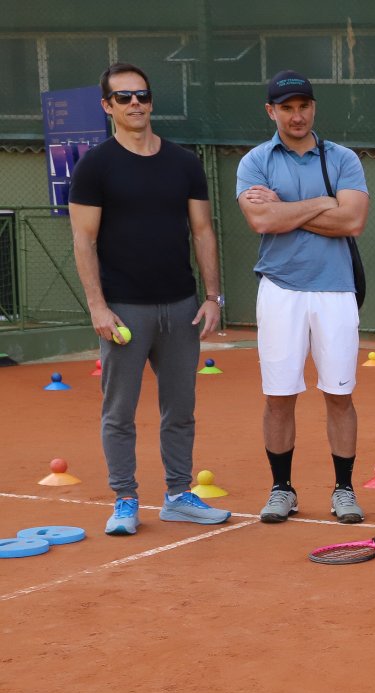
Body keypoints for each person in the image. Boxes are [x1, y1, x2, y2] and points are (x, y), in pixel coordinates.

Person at [68, 61, 230, 536]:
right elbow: (83, 240)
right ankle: (124, 500)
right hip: (123, 311)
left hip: (181, 307)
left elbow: (203, 231)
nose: (135, 103)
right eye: (124, 97)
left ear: (151, 101)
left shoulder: (184, 162)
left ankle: (178, 496)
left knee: (180, 410)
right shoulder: (95, 166)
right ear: (108, 106)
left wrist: (213, 297)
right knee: (119, 412)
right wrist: (98, 307)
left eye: (142, 95)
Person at [235, 70, 370, 525]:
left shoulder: (343, 159)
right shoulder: (255, 162)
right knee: (279, 396)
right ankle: (282, 489)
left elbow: (353, 222)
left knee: (339, 394)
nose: (297, 116)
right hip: (279, 290)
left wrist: (284, 209)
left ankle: (344, 490)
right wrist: (324, 202)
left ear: (313, 107)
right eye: (286, 108)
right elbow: (260, 222)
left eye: (303, 106)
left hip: (336, 290)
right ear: (271, 111)